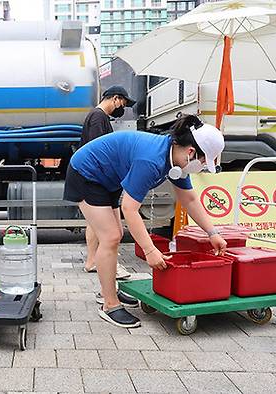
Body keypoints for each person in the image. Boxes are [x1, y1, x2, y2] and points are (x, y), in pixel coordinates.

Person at [63, 114, 227, 328]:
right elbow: (130, 209)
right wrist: (150, 251)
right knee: (110, 237)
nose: (203, 166)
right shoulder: (151, 160)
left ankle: (108, 291)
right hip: (87, 173)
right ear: (191, 152)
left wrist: (212, 233)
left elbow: (189, 199)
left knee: (115, 236)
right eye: (205, 161)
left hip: (108, 178)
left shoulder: (177, 162)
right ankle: (109, 305)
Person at [80, 86, 136, 283]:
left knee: (94, 222)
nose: (123, 108)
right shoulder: (98, 117)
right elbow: (99, 150)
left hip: (94, 177)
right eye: (124, 103)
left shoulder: (97, 117)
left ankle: (92, 261)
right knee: (108, 226)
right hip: (98, 177)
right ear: (115, 98)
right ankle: (105, 261)